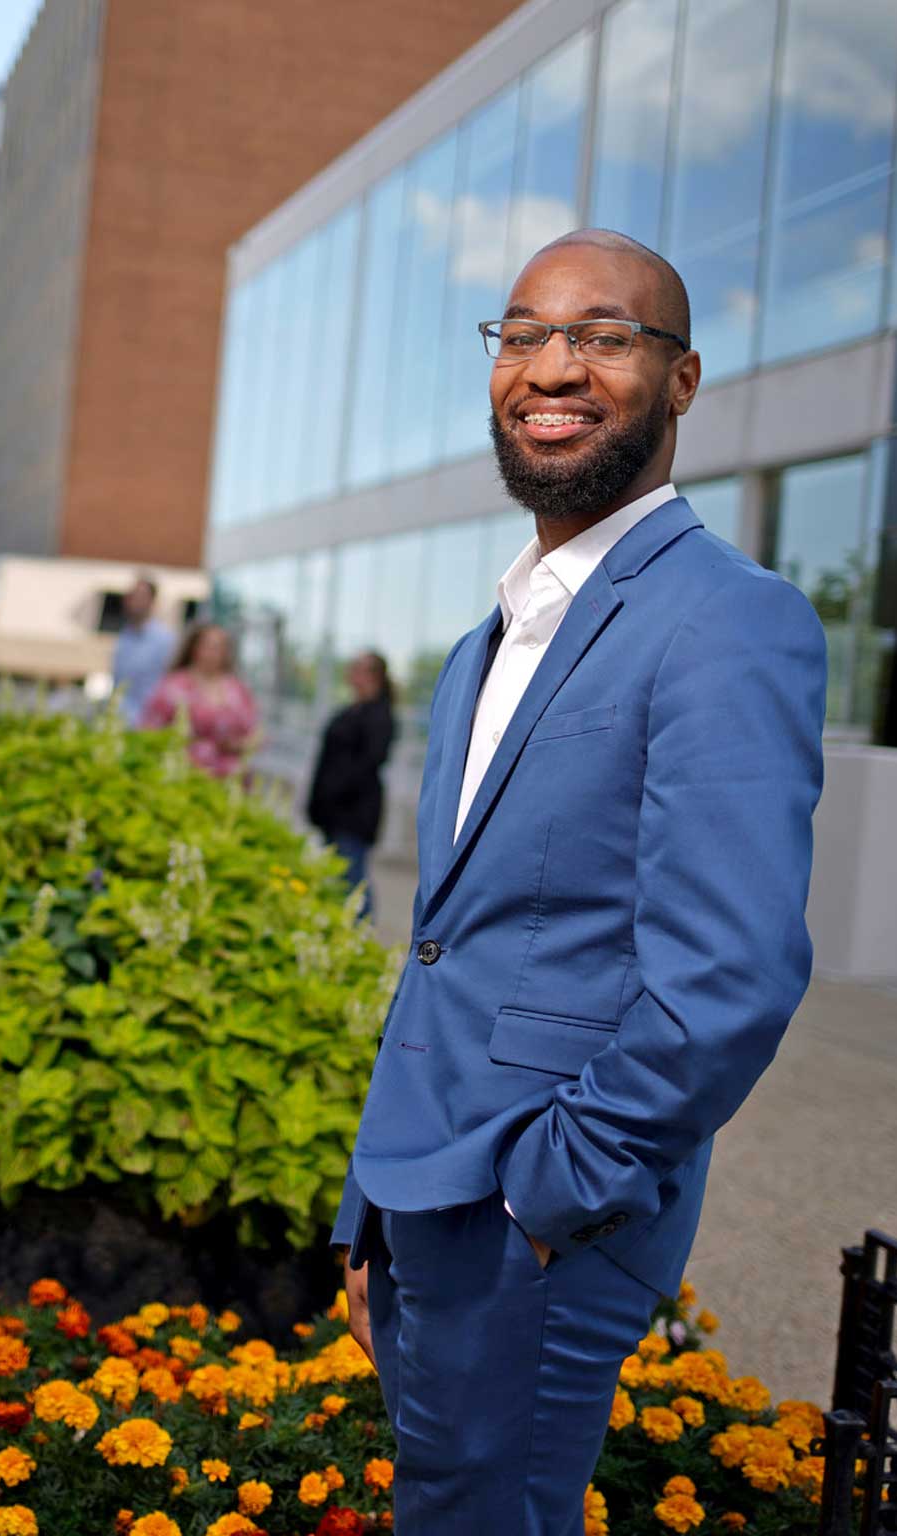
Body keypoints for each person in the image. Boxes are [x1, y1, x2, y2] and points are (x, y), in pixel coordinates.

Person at [330, 230, 825, 1534]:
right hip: (429, 1194)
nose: (551, 366)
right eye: (522, 334)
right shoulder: (480, 645)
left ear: (680, 381)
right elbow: (452, 945)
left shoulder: (727, 619)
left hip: (537, 1215)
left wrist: (548, 1194)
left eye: (602, 337)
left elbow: (728, 978)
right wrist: (371, 1213)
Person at [306, 651, 398, 915]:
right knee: (338, 875)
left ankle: (360, 930)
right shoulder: (351, 710)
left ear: (374, 676)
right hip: (333, 811)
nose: (351, 672)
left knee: (352, 878)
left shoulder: (379, 715)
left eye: (358, 668)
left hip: (353, 813)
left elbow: (369, 763)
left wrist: (334, 791)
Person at [138, 622, 258, 778]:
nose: (214, 653)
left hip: (229, 780)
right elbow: (149, 730)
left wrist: (238, 746)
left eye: (220, 647)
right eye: (209, 646)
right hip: (183, 775)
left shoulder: (237, 689)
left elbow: (255, 732)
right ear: (194, 648)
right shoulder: (174, 686)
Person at [111, 574, 177, 723]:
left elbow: (169, 684)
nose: (133, 601)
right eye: (132, 595)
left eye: (140, 596)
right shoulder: (124, 637)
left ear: (152, 601)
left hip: (149, 724)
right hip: (121, 720)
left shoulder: (165, 640)